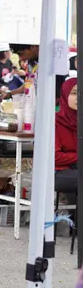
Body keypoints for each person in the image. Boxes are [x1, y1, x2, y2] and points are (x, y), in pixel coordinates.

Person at [55, 78, 78, 206]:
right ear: (64, 95)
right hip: (58, 172)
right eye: (74, 93)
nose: (78, 97)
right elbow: (54, 157)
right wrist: (78, 157)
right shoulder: (55, 122)